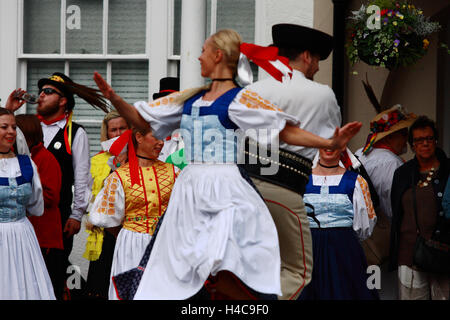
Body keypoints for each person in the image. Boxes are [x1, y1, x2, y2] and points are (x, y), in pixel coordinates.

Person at [93, 29, 361, 300]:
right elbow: (143, 120)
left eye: (203, 51)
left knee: (227, 261)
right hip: (190, 189)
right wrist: (115, 99)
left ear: (218, 55)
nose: (198, 57)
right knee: (177, 265)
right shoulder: (190, 98)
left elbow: (282, 130)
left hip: (224, 186)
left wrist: (325, 143)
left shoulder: (240, 98)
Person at [243, 23, 342, 300]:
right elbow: (329, 137)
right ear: (308, 56)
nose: (318, 68)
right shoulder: (321, 94)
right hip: (284, 190)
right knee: (298, 271)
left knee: (253, 265)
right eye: (318, 61)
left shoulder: (254, 90)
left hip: (244, 186)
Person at [5, 72, 109, 299]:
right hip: (22, 215)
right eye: (41, 91)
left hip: (57, 216)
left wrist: (76, 215)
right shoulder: (25, 128)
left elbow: (82, 177)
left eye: (49, 91)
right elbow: (3, 142)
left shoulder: (76, 132)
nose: (41, 95)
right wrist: (10, 110)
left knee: (51, 275)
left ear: (63, 100)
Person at [88, 125, 177, 300]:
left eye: (163, 138)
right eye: (156, 137)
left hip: (165, 244)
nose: (161, 143)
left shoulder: (173, 172)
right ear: (139, 137)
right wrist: (130, 235)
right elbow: (107, 219)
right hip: (131, 246)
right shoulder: (119, 176)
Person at [389, 116, 449, 300]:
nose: (425, 144)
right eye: (419, 140)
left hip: (444, 254)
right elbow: (396, 212)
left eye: (429, 139)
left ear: (436, 141)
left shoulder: (447, 170)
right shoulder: (403, 174)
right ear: (412, 145)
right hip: (410, 255)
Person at [0, 107, 55, 299]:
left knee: (26, 285)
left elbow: (35, 204)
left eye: (14, 127)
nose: (11, 132)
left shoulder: (26, 163)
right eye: (4, 127)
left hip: (22, 236)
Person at [15, 114, 64, 296]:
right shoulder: (20, 159)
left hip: (45, 236)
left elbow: (51, 197)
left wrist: (22, 190)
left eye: (16, 131)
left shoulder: (46, 159)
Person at [83, 110, 130, 299]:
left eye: (122, 129)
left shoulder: (140, 158)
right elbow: (88, 194)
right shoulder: (96, 161)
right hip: (104, 232)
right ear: (106, 133)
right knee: (100, 286)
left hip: (130, 230)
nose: (118, 134)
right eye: (113, 130)